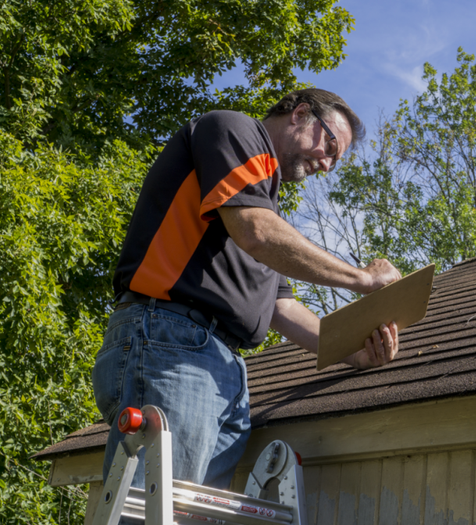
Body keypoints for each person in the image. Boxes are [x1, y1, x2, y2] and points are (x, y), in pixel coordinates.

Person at [91, 89, 402, 492]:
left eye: (334, 160)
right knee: (158, 511)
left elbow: (280, 308)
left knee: (188, 517)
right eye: (328, 146)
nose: (326, 165)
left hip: (222, 368)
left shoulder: (264, 210)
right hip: (172, 342)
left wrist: (354, 353)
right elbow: (256, 233)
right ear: (301, 114)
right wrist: (362, 278)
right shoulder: (233, 130)